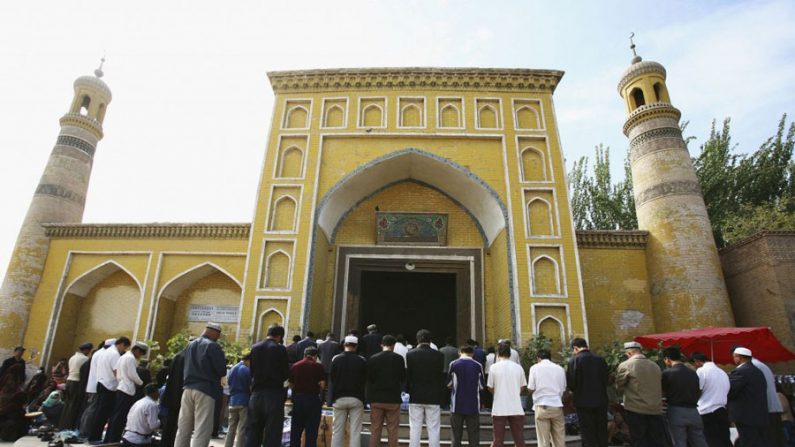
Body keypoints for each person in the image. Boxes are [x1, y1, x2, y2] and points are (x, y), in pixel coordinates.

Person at [174, 323, 227, 447]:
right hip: (205, 390)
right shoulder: (212, 346)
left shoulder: (190, 345)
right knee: (202, 428)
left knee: (183, 427)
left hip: (187, 389)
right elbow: (221, 370)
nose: (218, 337)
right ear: (214, 333)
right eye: (218, 335)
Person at [614, 341, 665, 447]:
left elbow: (619, 386)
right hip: (655, 409)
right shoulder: (655, 365)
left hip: (636, 409)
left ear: (629, 353)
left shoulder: (626, 365)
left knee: (639, 440)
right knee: (656, 440)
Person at [246, 324, 288, 447]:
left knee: (253, 431)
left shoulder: (255, 347)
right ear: (279, 336)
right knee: (272, 432)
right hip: (273, 394)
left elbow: (252, 371)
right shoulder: (280, 349)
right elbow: (285, 373)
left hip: (256, 394)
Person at [660, 347, 708, 447]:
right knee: (700, 442)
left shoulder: (667, 374)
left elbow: (662, 392)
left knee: (679, 442)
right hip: (694, 411)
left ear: (667, 359)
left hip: (676, 411)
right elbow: (698, 391)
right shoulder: (693, 373)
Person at [406, 329, 445, 447]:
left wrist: (408, 391)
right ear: (430, 340)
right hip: (433, 396)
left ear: (417, 340)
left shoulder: (410, 354)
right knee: (433, 428)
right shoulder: (439, 355)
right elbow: (440, 376)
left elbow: (409, 376)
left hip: (416, 395)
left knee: (415, 428)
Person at [567, 338, 608, 447]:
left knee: (587, 431)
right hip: (601, 401)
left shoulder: (574, 361)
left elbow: (571, 383)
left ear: (575, 348)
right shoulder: (600, 360)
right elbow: (607, 380)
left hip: (583, 402)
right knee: (601, 430)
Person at [366, 335, 406, 447]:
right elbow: (403, 378)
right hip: (393, 399)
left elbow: (369, 379)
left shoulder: (373, 358)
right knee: (393, 430)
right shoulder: (399, 359)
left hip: (376, 398)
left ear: (381, 345)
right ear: (394, 345)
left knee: (375, 429)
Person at [90, 336, 131, 443]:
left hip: (101, 383)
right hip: (109, 386)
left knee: (99, 412)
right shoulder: (114, 354)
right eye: (125, 347)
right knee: (103, 414)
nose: (124, 350)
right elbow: (116, 371)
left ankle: (94, 436)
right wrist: (123, 381)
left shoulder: (106, 352)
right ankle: (95, 437)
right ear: (121, 344)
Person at [106, 341, 148, 443]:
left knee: (116, 415)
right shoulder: (130, 358)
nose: (140, 356)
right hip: (127, 390)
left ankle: (109, 438)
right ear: (137, 350)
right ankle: (114, 438)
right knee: (120, 416)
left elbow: (115, 370)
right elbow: (132, 374)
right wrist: (141, 383)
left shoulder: (123, 356)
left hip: (121, 387)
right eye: (141, 353)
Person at [329, 335, 367, 447]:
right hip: (357, 399)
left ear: (344, 345)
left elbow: (332, 380)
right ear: (356, 346)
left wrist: (330, 400)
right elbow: (365, 380)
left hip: (339, 398)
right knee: (355, 432)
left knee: (337, 431)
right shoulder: (362, 360)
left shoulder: (336, 359)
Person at [487, 342, 526, 447]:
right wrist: (514, 394)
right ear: (510, 354)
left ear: (498, 353)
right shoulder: (519, 368)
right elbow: (522, 386)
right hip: (516, 407)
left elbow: (490, 386)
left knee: (498, 440)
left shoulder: (493, 368)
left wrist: (498, 394)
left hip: (499, 407)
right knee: (519, 440)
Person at [727, 347, 768, 447]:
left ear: (739, 357)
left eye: (734, 357)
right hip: (759, 415)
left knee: (748, 442)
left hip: (745, 416)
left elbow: (731, 390)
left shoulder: (741, 371)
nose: (733, 359)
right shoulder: (758, 371)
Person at [690, 352, 731, 447]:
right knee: (724, 440)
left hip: (706, 412)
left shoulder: (701, 371)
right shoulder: (722, 372)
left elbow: (697, 389)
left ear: (697, 362)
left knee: (710, 440)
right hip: (722, 410)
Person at [527, 349, 566, 447]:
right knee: (559, 438)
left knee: (543, 440)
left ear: (538, 358)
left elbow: (531, 388)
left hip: (542, 405)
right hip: (557, 405)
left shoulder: (534, 368)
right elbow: (563, 388)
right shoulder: (559, 368)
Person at [448, 344, 484, 447]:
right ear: (472, 353)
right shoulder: (478, 365)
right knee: (473, 435)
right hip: (473, 405)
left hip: (456, 405)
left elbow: (449, 384)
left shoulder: (453, 364)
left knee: (456, 435)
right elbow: (481, 386)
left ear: (459, 352)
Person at [289, 346, 326, 447]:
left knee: (296, 431)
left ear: (304, 355)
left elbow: (291, 384)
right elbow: (322, 385)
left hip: (299, 400)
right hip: (313, 400)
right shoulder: (318, 367)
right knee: (311, 432)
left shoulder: (295, 366)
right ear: (315, 356)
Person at [80, 339, 112, 437]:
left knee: (89, 409)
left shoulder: (98, 353)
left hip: (93, 385)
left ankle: (83, 430)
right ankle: (85, 432)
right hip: (96, 386)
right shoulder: (103, 354)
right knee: (92, 409)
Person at [751, 355, 785, 447]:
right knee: (775, 440)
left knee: (768, 440)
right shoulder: (763, 366)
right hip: (772, 409)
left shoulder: (753, 366)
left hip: (766, 410)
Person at [59, 342, 92, 430]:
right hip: (77, 382)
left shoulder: (72, 357)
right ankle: (69, 426)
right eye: (89, 350)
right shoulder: (85, 359)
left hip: (69, 381)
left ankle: (62, 424)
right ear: (86, 350)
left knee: (67, 404)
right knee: (73, 405)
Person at [161, 345, 187, 447]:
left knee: (169, 423)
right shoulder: (187, 358)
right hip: (180, 395)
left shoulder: (177, 356)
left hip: (172, 395)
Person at [225, 353, 251, 447]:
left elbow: (229, 382)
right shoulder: (247, 370)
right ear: (248, 360)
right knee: (242, 429)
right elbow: (250, 386)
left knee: (231, 428)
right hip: (244, 401)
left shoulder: (232, 369)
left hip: (232, 400)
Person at [0, 363, 29, 441]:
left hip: (6, 397)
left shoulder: (9, 375)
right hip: (7, 397)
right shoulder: (11, 376)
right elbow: (11, 386)